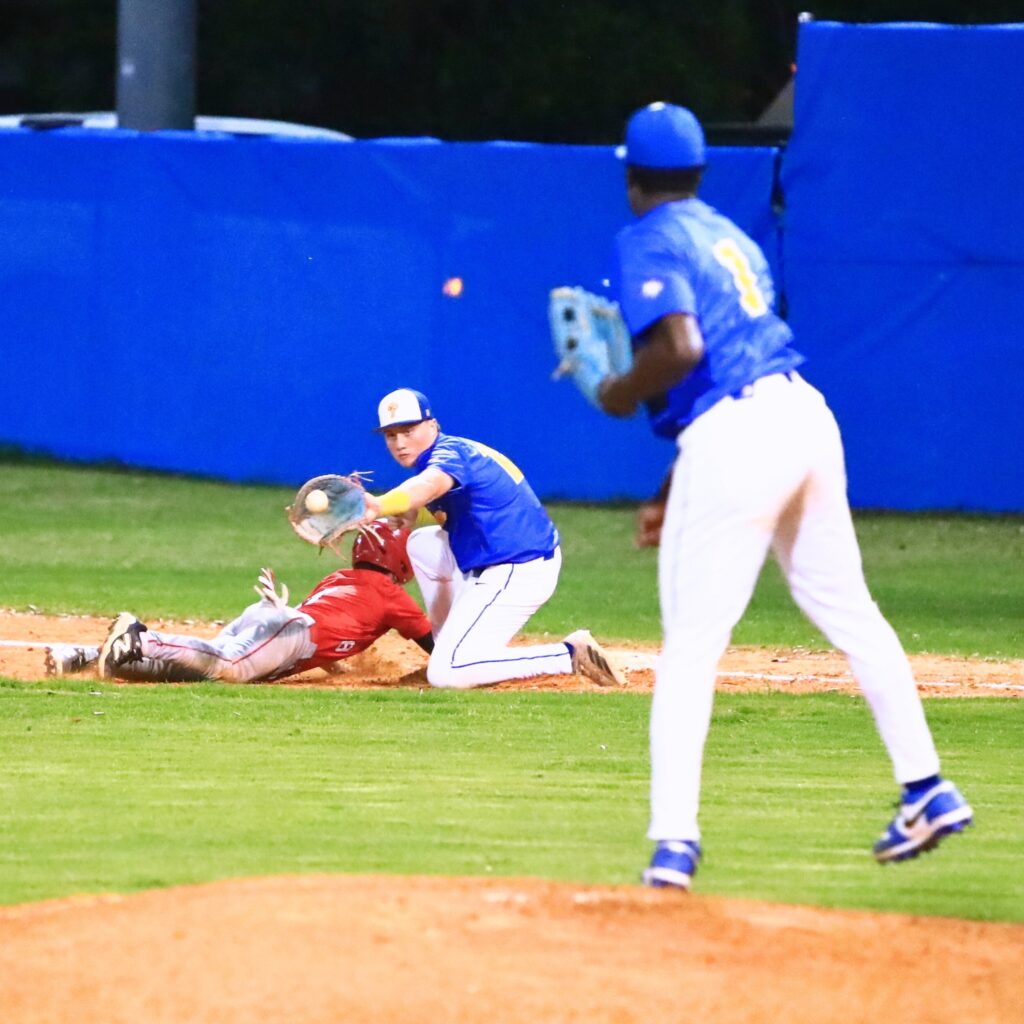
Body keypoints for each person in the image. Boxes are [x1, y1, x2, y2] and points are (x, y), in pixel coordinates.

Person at [593, 101, 971, 889]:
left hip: (739, 436)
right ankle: (927, 787)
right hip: (804, 414)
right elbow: (728, 370)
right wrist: (674, 487)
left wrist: (621, 391)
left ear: (631, 174)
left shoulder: (649, 235)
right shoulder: (730, 235)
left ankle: (672, 847)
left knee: (691, 651)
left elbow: (684, 350)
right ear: (698, 169)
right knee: (853, 613)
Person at [361, 387, 624, 689]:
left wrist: (381, 505)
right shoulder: (452, 451)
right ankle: (451, 645)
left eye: (408, 430)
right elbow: (454, 505)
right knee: (422, 544)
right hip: (504, 559)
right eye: (391, 435)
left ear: (432, 425)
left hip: (518, 570)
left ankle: (568, 655)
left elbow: (429, 485)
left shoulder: (447, 456)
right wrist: (410, 512)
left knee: (445, 675)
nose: (400, 443)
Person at [88, 520, 434, 682]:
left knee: (203, 671)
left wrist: (337, 667)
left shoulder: (339, 578)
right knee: (230, 667)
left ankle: (82, 659)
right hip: (289, 631)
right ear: (401, 560)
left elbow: (330, 622)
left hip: (275, 619)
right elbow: (432, 643)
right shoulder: (393, 596)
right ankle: (141, 639)